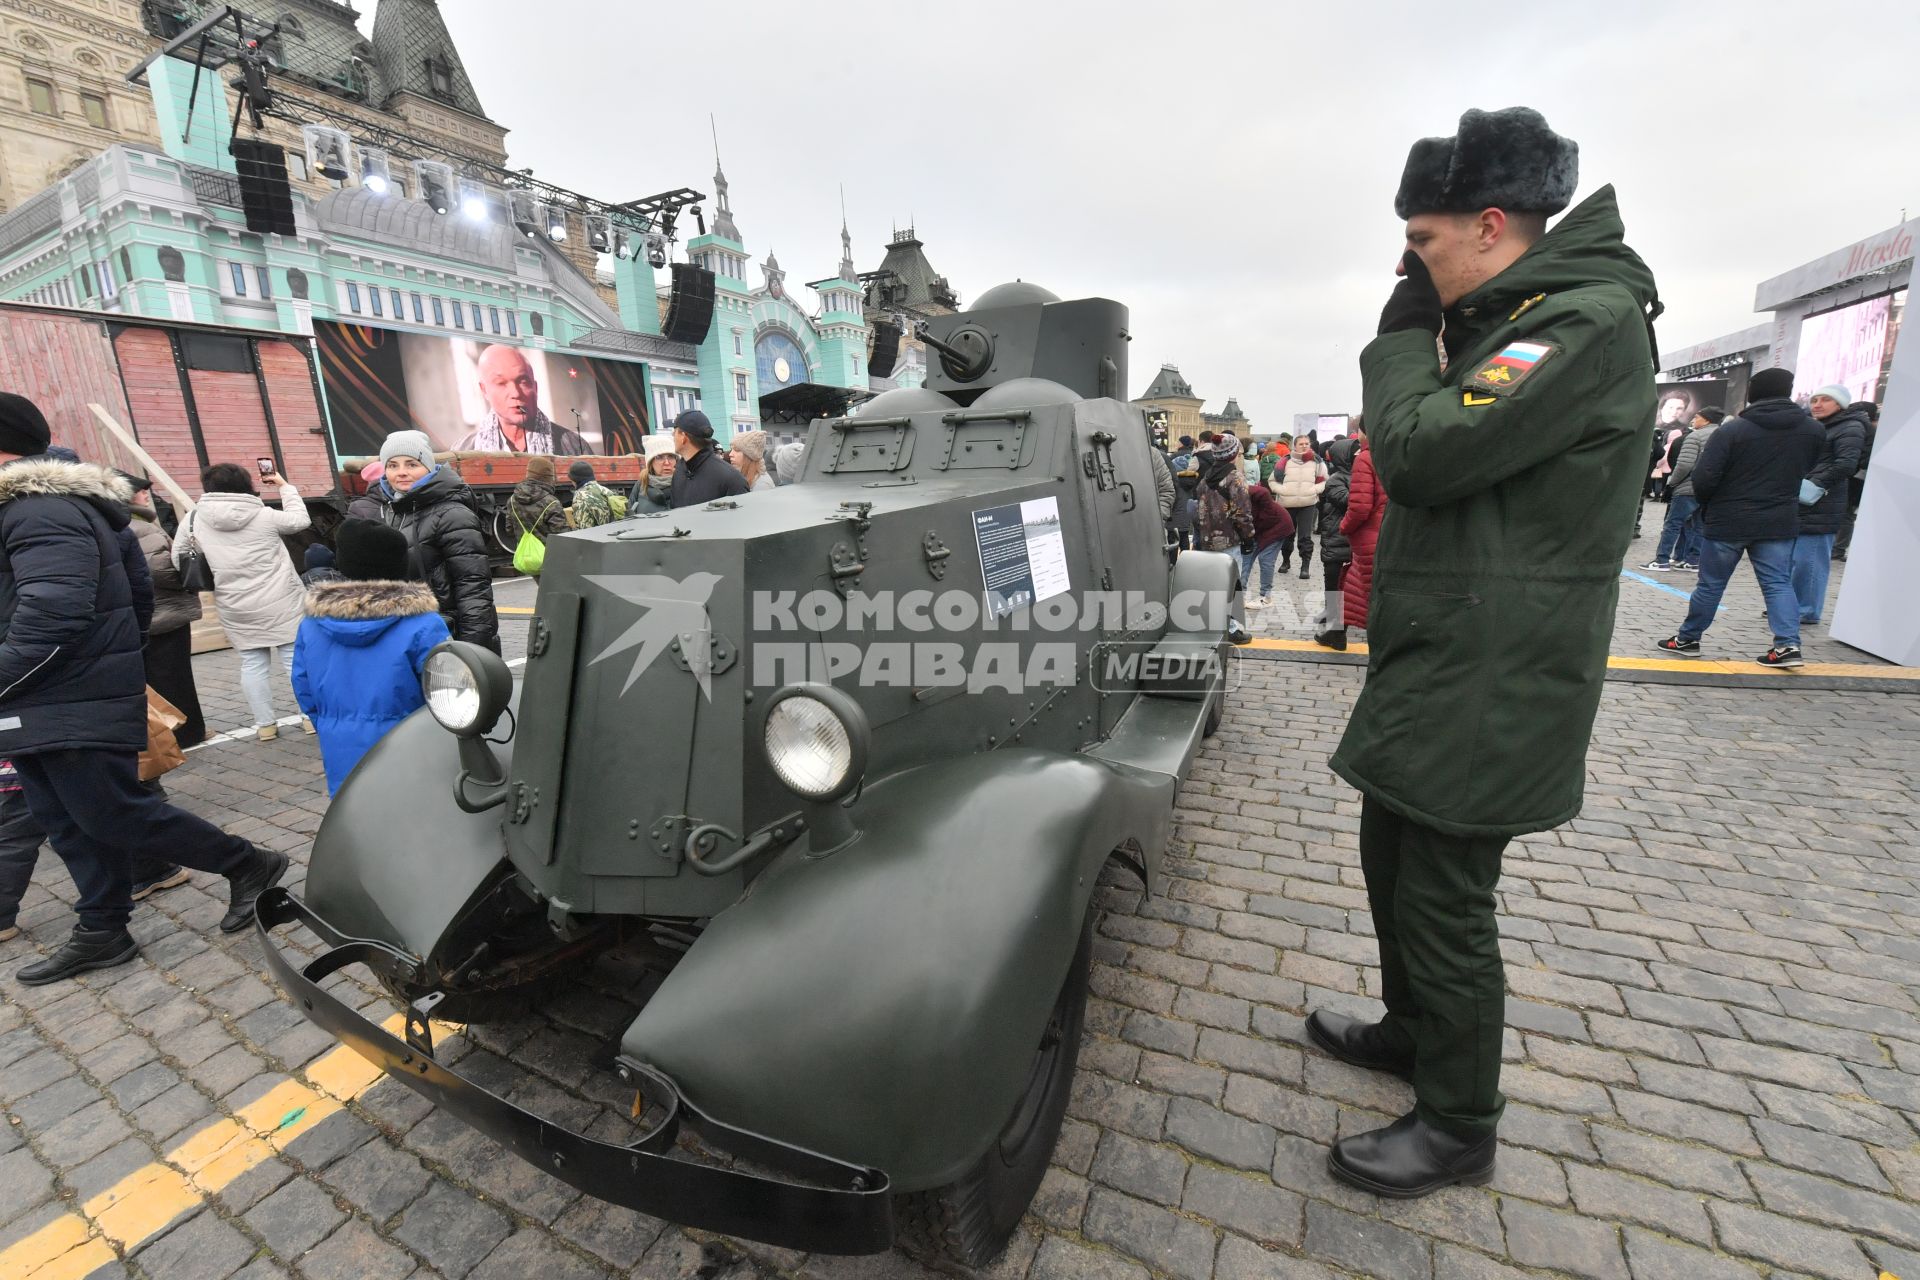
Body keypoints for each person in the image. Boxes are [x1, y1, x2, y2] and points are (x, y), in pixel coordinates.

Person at [1316, 107, 1661, 1199]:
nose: (1414, 266)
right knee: (1391, 856)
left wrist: (1397, 337)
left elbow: (1417, 451)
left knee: (1443, 892)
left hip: (1495, 670)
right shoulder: (1518, 316)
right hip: (1449, 654)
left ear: (1491, 224)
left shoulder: (1581, 323)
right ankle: (1417, 1031)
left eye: (1424, 242)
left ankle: (1461, 1121)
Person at [0, 395, 286, 983]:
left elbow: (53, 616)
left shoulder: (37, 512)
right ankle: (102, 928)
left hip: (63, 692)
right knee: (67, 820)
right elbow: (134, 599)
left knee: (113, 813)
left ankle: (248, 863)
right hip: (46, 694)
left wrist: (94, 667)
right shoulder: (51, 508)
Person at [1656, 368, 1822, 665]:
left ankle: (1688, 638)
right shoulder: (1812, 430)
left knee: (1710, 584)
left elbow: (1706, 476)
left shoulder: (1733, 430)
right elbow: (1807, 468)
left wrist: (1709, 505)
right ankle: (1787, 645)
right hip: (1778, 518)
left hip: (1728, 518)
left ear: (1753, 393)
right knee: (1777, 582)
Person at [293, 520, 451, 794]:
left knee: (354, 815)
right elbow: (445, 691)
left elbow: (303, 685)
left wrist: (331, 726)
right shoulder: (423, 624)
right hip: (413, 746)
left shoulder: (312, 624)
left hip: (341, 746)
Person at [174, 461, 312, 740]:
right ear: (246, 485)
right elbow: (300, 520)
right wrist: (285, 487)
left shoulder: (193, 519)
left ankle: (265, 726)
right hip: (281, 598)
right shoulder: (264, 515)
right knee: (293, 659)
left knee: (252, 663)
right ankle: (310, 717)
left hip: (234, 602)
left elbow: (179, 556)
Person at [352, 431, 501, 652]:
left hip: (446, 636)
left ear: (429, 466)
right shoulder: (388, 511)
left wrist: (472, 650)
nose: (401, 472)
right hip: (404, 636)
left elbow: (473, 588)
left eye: (411, 464)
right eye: (392, 465)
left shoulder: (453, 514)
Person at [125, 474, 205, 748]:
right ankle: (187, 733)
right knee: (175, 677)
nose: (146, 494)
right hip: (164, 612)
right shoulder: (140, 527)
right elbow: (158, 569)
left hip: (145, 615)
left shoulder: (124, 525)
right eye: (140, 491)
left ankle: (167, 733)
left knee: (156, 678)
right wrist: (184, 579)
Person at [1791, 385, 1867, 626]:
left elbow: (1846, 464)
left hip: (1822, 501)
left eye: (1826, 400)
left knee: (1810, 561)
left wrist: (1814, 484)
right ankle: (1793, 605)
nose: (1818, 404)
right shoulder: (1816, 426)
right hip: (1805, 500)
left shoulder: (1850, 426)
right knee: (1798, 560)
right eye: (1815, 399)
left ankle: (1807, 609)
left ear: (1840, 404)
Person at [455, 344, 591, 454]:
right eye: (501, 383)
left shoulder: (575, 448)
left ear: (535, 388)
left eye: (523, 382)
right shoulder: (463, 452)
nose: (515, 393)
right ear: (484, 390)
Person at [1643, 407, 1725, 571]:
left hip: (1688, 487)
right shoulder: (1725, 436)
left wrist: (1672, 483)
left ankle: (1662, 560)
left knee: (1673, 524)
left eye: (1697, 417)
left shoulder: (1694, 436)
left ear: (1706, 420)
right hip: (1710, 490)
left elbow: (1684, 464)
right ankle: (1693, 560)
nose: (1694, 420)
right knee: (1700, 526)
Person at [1336, 428, 1386, 646]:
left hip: (1370, 536)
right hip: (1395, 532)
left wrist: (1345, 527)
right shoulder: (1399, 453)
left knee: (1371, 595)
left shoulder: (1367, 457)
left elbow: (1360, 507)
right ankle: (1335, 631)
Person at [1314, 426, 1360, 650]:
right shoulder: (1335, 480)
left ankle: (1337, 633)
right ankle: (1335, 634)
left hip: (1351, 543)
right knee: (1333, 590)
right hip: (1335, 541)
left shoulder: (1358, 476)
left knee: (1348, 590)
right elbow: (1345, 501)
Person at [1268, 434, 1328, 578]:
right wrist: (1283, 491)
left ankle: (1305, 566)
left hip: (1308, 503)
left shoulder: (1317, 461)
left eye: (1307, 443)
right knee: (1287, 534)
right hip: (1287, 504)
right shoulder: (1284, 461)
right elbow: (1272, 480)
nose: (1304, 446)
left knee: (1305, 537)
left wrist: (1313, 490)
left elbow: (1324, 481)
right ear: (1294, 446)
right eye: (1301, 444)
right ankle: (1286, 561)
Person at [668, 411, 750, 508]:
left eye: (674, 432)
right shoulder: (679, 471)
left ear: (683, 437)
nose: (672, 437)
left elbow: (742, 520)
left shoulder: (731, 479)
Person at [1193, 433, 1254, 555]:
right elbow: (1242, 513)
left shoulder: (1206, 477)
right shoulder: (1235, 477)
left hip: (1207, 541)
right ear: (1234, 454)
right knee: (1231, 574)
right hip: (1229, 542)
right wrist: (1248, 538)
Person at [1834, 400, 1877, 561]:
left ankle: (1838, 548)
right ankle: (1838, 548)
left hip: (1853, 477)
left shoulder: (1858, 427)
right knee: (1846, 513)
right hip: (1855, 476)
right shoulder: (1868, 428)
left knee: (1845, 513)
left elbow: (1863, 457)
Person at [1241, 482, 1294, 609]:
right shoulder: (1230, 496)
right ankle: (1239, 594)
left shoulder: (1248, 492)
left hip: (1278, 526)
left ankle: (1266, 596)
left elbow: (1263, 492)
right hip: (1258, 530)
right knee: (1245, 559)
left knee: (1265, 559)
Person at [566, 460, 620, 529]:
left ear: (575, 479)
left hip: (597, 537)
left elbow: (583, 529)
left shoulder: (580, 496)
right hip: (614, 533)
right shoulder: (606, 490)